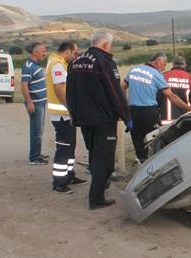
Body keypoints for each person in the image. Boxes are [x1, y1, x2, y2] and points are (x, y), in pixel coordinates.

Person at [67, 31, 131, 210]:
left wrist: (74, 114)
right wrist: (126, 116)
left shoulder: (75, 62)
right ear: (105, 45)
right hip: (103, 119)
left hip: (84, 119)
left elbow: (70, 92)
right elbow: (115, 92)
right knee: (105, 159)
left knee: (94, 153)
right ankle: (96, 199)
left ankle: (101, 185)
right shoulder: (105, 62)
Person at [123, 53, 191, 164]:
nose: (164, 68)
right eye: (164, 64)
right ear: (158, 61)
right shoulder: (156, 75)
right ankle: (154, 167)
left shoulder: (133, 70)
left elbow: (122, 88)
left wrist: (124, 106)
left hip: (133, 111)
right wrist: (189, 108)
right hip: (149, 112)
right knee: (154, 140)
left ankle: (141, 162)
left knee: (138, 140)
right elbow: (172, 97)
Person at [45, 41, 87, 194]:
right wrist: (69, 106)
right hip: (62, 115)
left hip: (64, 115)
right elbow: (59, 88)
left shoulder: (56, 61)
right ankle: (59, 182)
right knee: (63, 148)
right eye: (75, 53)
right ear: (67, 51)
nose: (76, 56)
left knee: (70, 147)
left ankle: (69, 175)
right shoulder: (58, 65)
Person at [21, 42, 49, 165]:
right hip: (35, 103)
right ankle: (34, 158)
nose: (44, 53)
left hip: (41, 102)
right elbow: (24, 85)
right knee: (36, 131)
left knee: (39, 130)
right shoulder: (28, 66)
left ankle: (37, 152)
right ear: (34, 52)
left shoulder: (36, 65)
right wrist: (29, 102)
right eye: (42, 51)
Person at [160, 56, 191, 125]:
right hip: (186, 120)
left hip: (165, 122)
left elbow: (155, 97)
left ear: (173, 64)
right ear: (185, 65)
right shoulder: (190, 78)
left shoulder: (163, 76)